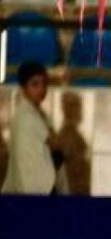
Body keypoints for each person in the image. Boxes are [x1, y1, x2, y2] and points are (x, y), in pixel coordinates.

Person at [2, 62, 67, 195]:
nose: (41, 89)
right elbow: (55, 144)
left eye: (44, 84)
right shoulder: (26, 116)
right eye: (35, 84)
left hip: (38, 188)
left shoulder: (38, 113)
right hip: (33, 189)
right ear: (23, 88)